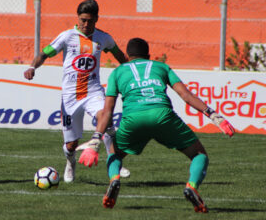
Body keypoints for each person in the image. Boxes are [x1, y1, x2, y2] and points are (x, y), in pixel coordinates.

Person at [78, 38, 235, 212]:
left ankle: (114, 179)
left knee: (115, 153)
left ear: (128, 57)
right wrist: (214, 116)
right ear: (149, 55)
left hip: (134, 119)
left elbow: (107, 111)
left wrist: (95, 139)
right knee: (199, 154)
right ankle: (192, 186)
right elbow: (186, 95)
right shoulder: (161, 67)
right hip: (163, 115)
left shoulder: (117, 72)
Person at [24, 0, 131, 182]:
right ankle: (70, 161)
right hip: (70, 97)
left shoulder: (104, 38)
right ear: (78, 18)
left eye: (90, 20)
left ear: (97, 19)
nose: (86, 24)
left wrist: (131, 72)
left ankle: (115, 163)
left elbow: (119, 55)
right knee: (71, 144)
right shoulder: (67, 36)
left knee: (105, 120)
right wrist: (32, 67)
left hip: (93, 91)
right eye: (82, 20)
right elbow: (44, 53)